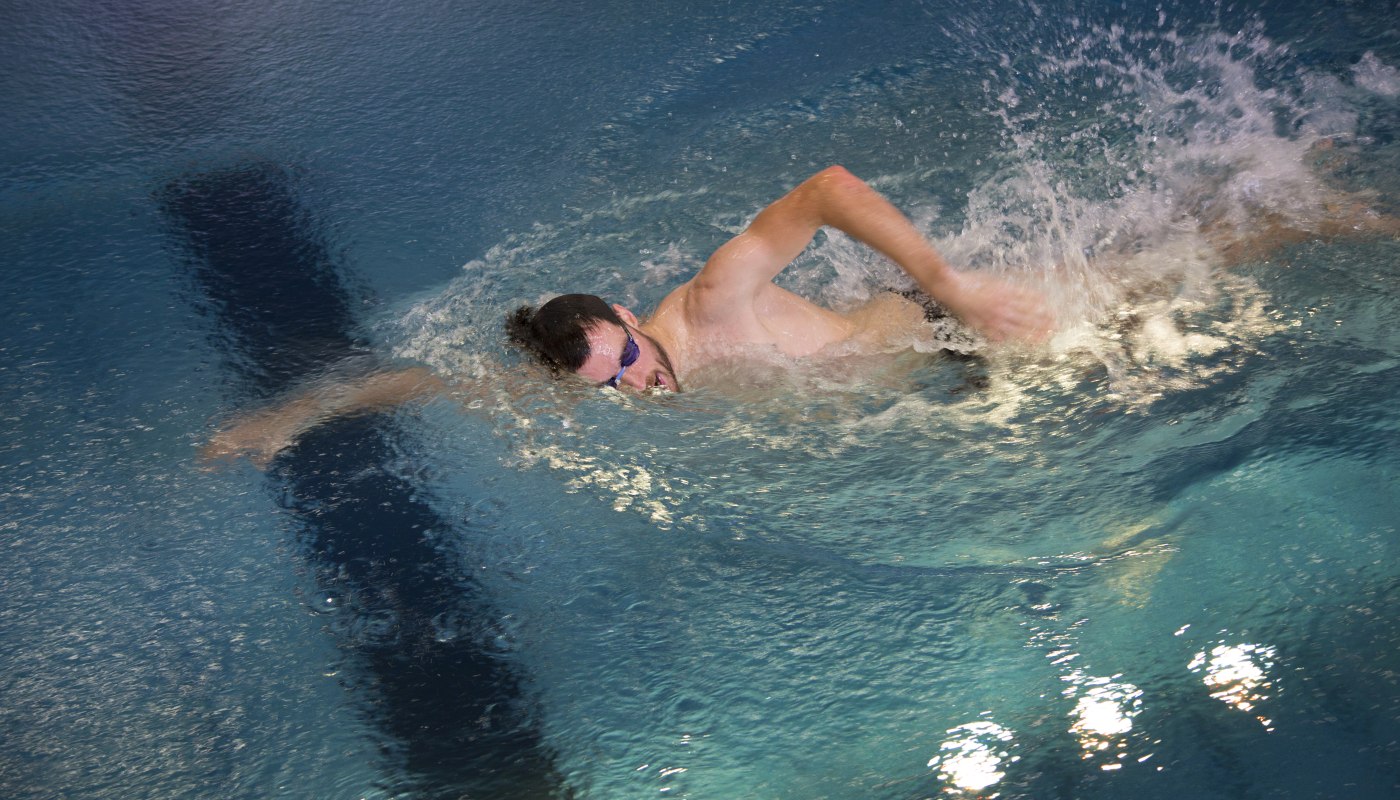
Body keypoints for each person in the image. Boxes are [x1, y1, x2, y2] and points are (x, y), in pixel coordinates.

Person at [506, 165, 1052, 394]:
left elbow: (827, 190)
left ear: (627, 316)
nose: (636, 384)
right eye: (608, 385)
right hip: (933, 385)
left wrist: (952, 286)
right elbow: (488, 393)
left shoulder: (714, 299)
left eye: (628, 359)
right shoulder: (597, 379)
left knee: (1130, 304)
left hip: (945, 325)